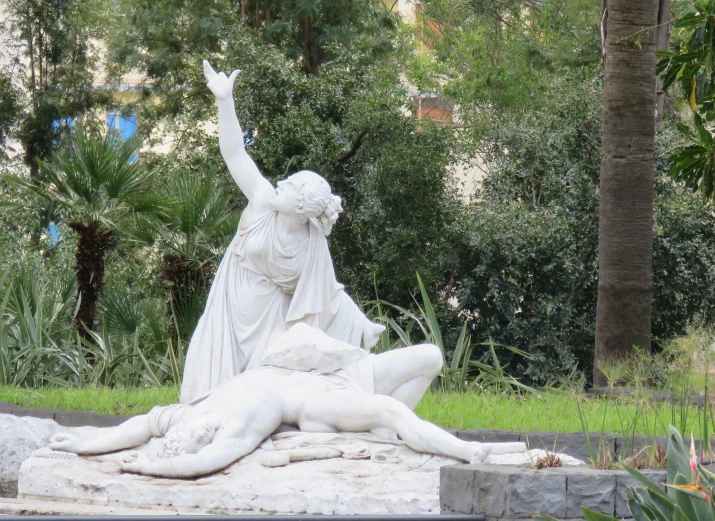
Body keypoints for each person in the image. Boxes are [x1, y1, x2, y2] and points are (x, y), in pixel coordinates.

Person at [180, 61, 384, 403]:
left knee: (260, 393)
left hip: (272, 320)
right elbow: (234, 152)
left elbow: (327, 293)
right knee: (210, 388)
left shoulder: (311, 244)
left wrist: (361, 325)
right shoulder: (262, 201)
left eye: (289, 187)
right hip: (231, 306)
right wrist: (224, 100)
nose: (280, 184)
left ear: (302, 209)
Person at [49, 348, 517, 479]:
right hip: (315, 400)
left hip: (331, 366)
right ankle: (469, 451)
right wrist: (153, 466)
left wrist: (86, 441)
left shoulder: (186, 413)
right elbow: (203, 464)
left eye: (190, 431)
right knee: (392, 413)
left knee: (431, 355)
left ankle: (392, 434)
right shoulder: (236, 426)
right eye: (196, 435)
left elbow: (134, 426)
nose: (194, 430)